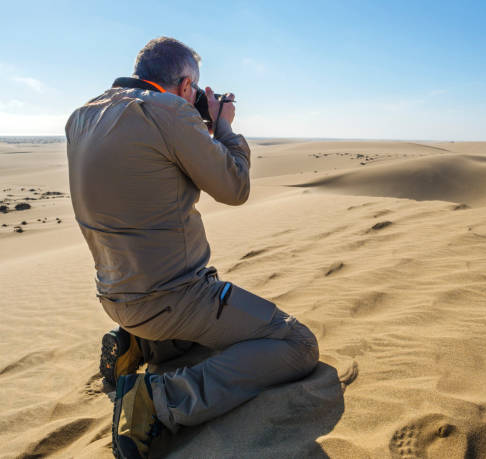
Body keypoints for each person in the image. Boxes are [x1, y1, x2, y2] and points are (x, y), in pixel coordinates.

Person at [65, 36, 319, 459]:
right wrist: (223, 127)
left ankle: (141, 345)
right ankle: (158, 402)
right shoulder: (168, 113)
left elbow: (148, 161)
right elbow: (235, 188)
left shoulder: (82, 116)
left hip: (116, 296)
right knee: (295, 344)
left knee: (207, 341)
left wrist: (191, 118)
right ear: (186, 86)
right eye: (195, 90)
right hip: (173, 299)